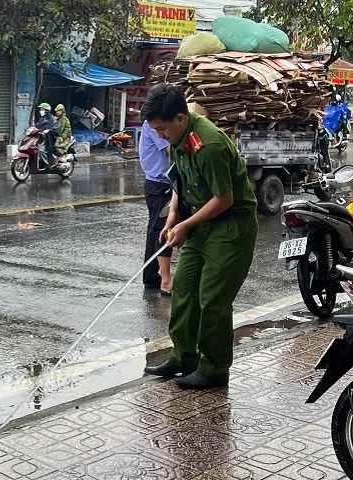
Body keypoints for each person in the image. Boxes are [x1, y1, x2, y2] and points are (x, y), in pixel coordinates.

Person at [142, 84, 258, 390]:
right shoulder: (177, 139)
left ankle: (214, 368)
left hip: (230, 226)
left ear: (181, 118)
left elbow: (225, 198)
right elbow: (181, 181)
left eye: (162, 129)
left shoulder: (208, 146)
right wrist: (173, 216)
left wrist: (185, 225)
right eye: (155, 130)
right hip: (200, 225)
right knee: (183, 290)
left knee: (213, 300)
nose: (160, 136)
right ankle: (183, 357)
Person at [139, 120, 173, 294]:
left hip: (160, 183)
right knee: (161, 229)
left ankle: (151, 277)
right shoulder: (155, 123)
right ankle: (165, 281)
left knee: (154, 229)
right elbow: (170, 149)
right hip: (159, 184)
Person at [35, 102, 57, 169]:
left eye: (42, 109)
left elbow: (55, 128)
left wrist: (48, 130)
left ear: (47, 110)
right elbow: (38, 125)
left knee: (41, 150)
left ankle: (48, 164)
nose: (41, 111)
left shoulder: (52, 119)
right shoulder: (42, 118)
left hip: (48, 139)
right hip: (41, 137)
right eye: (41, 109)